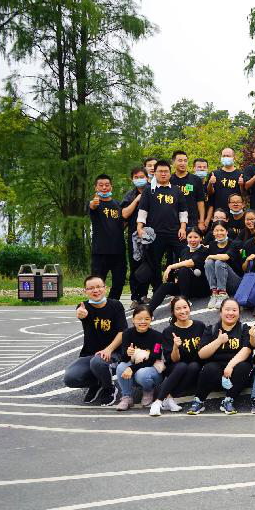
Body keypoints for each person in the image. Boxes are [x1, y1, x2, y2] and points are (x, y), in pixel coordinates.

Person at [63, 276, 127, 405]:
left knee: (98, 361)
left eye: (98, 287)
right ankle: (97, 383)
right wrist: (81, 314)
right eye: (91, 288)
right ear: (85, 291)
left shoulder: (116, 305)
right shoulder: (83, 307)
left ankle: (109, 388)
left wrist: (108, 350)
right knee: (70, 378)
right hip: (90, 354)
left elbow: (123, 332)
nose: (95, 290)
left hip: (114, 353)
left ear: (105, 288)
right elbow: (81, 313)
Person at [188, 298, 253, 415]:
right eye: (227, 309)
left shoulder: (244, 329)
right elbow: (201, 354)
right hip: (215, 372)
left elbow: (247, 350)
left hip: (235, 372)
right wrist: (218, 341)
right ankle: (199, 401)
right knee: (209, 368)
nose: (230, 313)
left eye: (234, 310)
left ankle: (228, 400)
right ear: (221, 312)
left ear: (239, 313)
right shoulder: (211, 329)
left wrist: (230, 366)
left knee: (244, 366)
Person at [136, 160, 188, 295]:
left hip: (175, 233)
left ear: (170, 173)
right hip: (155, 233)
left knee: (183, 258)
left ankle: (178, 289)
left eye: (166, 171)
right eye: (160, 171)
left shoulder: (176, 190)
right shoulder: (149, 191)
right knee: (154, 263)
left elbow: (183, 211)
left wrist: (183, 228)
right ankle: (158, 291)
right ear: (155, 173)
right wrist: (140, 227)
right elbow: (143, 211)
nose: (163, 174)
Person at [151, 296, 205, 416]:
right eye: (178, 309)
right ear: (173, 312)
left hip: (194, 365)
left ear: (189, 308)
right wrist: (175, 346)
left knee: (194, 366)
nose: (182, 311)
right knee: (182, 366)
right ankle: (158, 402)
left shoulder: (200, 326)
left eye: (185, 307)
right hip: (175, 367)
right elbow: (173, 359)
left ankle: (169, 398)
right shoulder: (169, 331)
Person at [147, 227, 210, 313]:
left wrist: (170, 266)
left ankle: (184, 300)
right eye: (190, 237)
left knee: (184, 269)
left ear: (201, 238)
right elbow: (178, 272)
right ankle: (148, 311)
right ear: (186, 238)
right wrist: (176, 293)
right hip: (187, 287)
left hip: (201, 288)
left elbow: (191, 262)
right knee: (165, 286)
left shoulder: (205, 250)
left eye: (196, 237)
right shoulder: (184, 251)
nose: (192, 240)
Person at [114, 305, 165, 411]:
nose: (143, 322)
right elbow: (124, 359)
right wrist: (128, 353)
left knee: (141, 374)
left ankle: (148, 390)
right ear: (133, 320)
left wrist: (131, 368)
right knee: (121, 367)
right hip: (134, 369)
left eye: (147, 319)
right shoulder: (127, 333)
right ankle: (127, 397)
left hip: (152, 370)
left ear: (151, 319)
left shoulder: (158, 336)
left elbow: (153, 359)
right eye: (139, 318)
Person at [88, 174, 127, 302]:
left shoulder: (118, 204)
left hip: (118, 251)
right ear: (96, 187)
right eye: (101, 185)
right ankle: (97, 305)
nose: (104, 188)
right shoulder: (95, 203)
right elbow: (92, 206)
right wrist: (94, 203)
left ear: (111, 187)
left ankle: (111, 304)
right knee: (97, 283)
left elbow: (123, 222)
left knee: (119, 282)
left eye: (107, 185)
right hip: (100, 251)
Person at [121, 166, 150, 308]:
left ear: (147, 178)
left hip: (151, 234)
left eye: (142, 177)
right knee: (135, 265)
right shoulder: (130, 195)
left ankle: (144, 295)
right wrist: (137, 200)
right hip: (134, 236)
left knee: (149, 264)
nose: (139, 179)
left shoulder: (153, 191)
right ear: (132, 179)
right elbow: (124, 214)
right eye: (136, 177)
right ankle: (135, 297)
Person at [204, 222, 242, 309]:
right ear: (213, 233)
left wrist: (210, 256)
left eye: (222, 230)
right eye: (216, 230)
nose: (219, 233)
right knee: (208, 262)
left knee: (219, 262)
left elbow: (225, 257)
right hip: (219, 282)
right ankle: (214, 293)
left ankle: (222, 294)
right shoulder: (212, 244)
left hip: (235, 282)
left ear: (227, 232)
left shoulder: (234, 243)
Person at [169, 150, 207, 230]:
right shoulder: (169, 180)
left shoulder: (196, 179)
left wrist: (201, 221)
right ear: (173, 162)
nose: (183, 163)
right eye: (180, 160)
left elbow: (200, 201)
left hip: (191, 222)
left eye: (185, 161)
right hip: (173, 221)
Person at [206, 148, 243, 222]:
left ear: (234, 157)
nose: (226, 158)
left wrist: (241, 185)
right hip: (218, 213)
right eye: (224, 156)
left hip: (235, 213)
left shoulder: (240, 174)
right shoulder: (214, 174)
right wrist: (210, 183)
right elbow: (209, 193)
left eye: (228, 156)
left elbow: (244, 194)